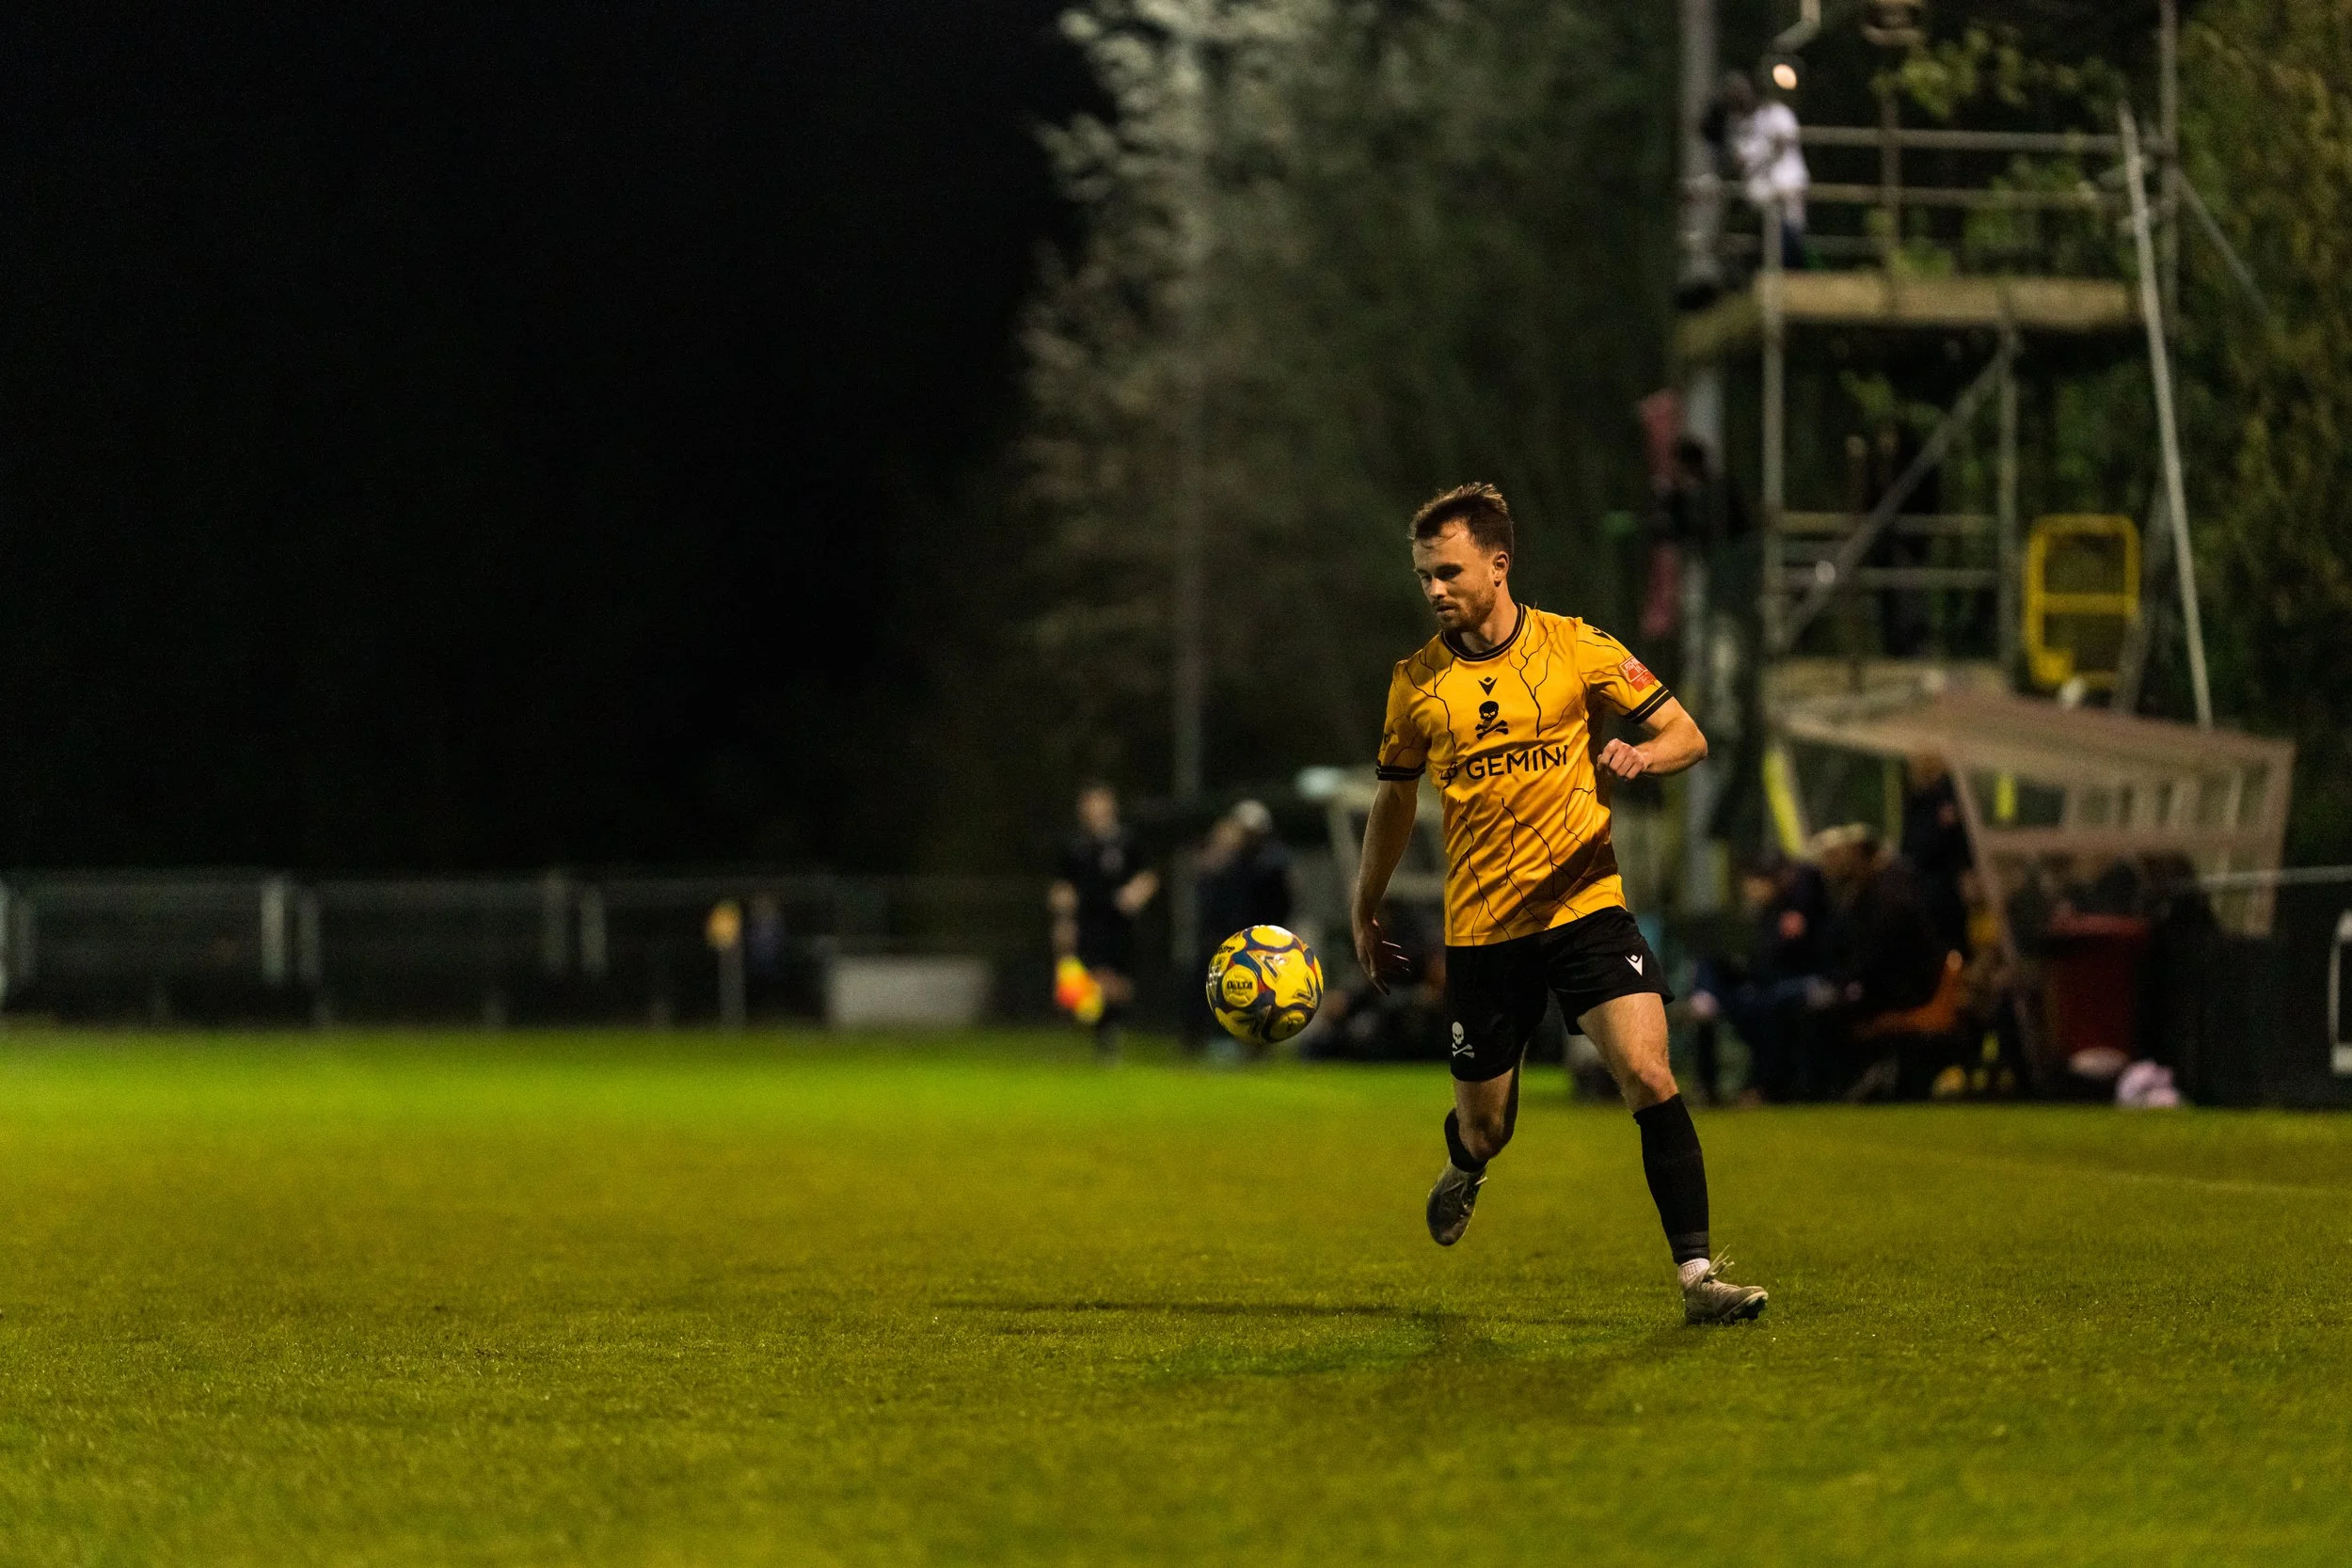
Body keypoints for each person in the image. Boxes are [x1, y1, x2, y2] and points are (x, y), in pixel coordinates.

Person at [1350, 481, 1768, 1325]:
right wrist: (1368, 907)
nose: (1434, 590)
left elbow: (1687, 732)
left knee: (1650, 1072)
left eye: (1449, 571)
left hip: (1585, 905)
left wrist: (1645, 758)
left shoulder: (1577, 646)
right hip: (1483, 932)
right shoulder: (1416, 686)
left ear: (1498, 566)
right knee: (1489, 1125)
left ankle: (1697, 1277)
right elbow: (1393, 804)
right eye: (1424, 575)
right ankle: (1465, 1163)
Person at [1050, 782, 1159, 1060]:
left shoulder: (1128, 841)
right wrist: (1064, 918)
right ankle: (1104, 1034)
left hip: (1120, 922)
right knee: (1091, 981)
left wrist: (1135, 894)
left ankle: (1110, 1031)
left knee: (1120, 984)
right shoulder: (1075, 846)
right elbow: (1062, 886)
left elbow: (1148, 875)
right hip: (1089, 921)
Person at [1187, 800, 1295, 1053]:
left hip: (1261, 939)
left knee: (1261, 993)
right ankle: (1201, 1039)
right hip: (1224, 937)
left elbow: (1280, 901)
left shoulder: (1271, 861)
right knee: (1211, 987)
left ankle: (1257, 1045)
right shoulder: (1228, 860)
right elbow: (1209, 888)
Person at [1719, 71, 1807, 272]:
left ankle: (1794, 273)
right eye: (1734, 96)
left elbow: (1785, 142)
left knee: (1792, 232)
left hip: (1788, 181)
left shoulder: (1777, 113)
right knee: (1766, 234)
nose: (1740, 98)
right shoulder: (1737, 127)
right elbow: (1738, 162)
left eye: (1742, 92)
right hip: (1760, 191)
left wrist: (1760, 156)